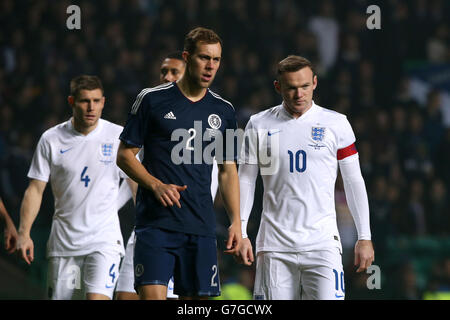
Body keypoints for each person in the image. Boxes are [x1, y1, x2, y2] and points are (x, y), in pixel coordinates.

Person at [116, 27, 242, 300]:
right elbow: (124, 155)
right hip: (155, 225)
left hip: (200, 226)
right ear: (187, 57)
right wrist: (155, 185)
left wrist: (236, 223)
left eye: (216, 60)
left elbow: (227, 170)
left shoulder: (224, 111)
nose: (210, 66)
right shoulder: (152, 99)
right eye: (203, 58)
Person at [238, 55, 374, 300]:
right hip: (274, 246)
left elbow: (354, 182)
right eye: (291, 88)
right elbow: (246, 179)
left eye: (304, 86)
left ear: (315, 83)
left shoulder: (336, 123)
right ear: (278, 87)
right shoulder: (258, 124)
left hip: (322, 244)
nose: (299, 94)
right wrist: (240, 230)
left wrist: (364, 236)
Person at [16, 75, 133, 300]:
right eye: (84, 101)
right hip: (64, 244)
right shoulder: (51, 139)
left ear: (104, 102)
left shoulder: (118, 136)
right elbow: (35, 189)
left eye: (96, 101)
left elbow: (135, 184)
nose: (91, 107)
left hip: (104, 241)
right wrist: (24, 233)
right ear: (71, 102)